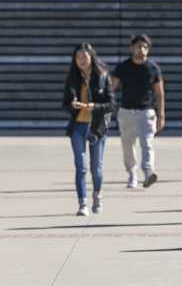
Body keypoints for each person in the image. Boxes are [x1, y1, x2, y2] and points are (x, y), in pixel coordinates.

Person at [63, 42, 115, 215]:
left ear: (91, 57)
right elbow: (65, 105)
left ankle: (97, 197)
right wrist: (73, 106)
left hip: (96, 127)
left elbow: (111, 105)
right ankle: (82, 204)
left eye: (84, 56)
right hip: (78, 126)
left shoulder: (102, 76)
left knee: (96, 168)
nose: (82, 60)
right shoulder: (72, 78)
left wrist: (95, 107)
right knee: (81, 167)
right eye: (78, 57)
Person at [111, 34, 165, 190]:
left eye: (145, 47)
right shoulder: (123, 67)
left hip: (146, 112)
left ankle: (149, 172)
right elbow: (112, 88)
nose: (141, 50)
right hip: (126, 111)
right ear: (132, 48)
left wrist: (161, 115)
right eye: (138, 46)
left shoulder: (153, 68)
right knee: (128, 145)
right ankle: (132, 174)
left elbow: (159, 92)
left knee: (147, 143)